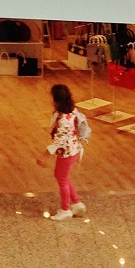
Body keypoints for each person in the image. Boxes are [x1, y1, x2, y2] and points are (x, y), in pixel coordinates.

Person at [39, 83, 86, 220]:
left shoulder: (64, 120)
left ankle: (65, 209)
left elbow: (58, 141)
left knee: (61, 179)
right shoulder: (71, 111)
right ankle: (76, 202)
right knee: (63, 177)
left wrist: (44, 155)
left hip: (67, 152)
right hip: (73, 149)